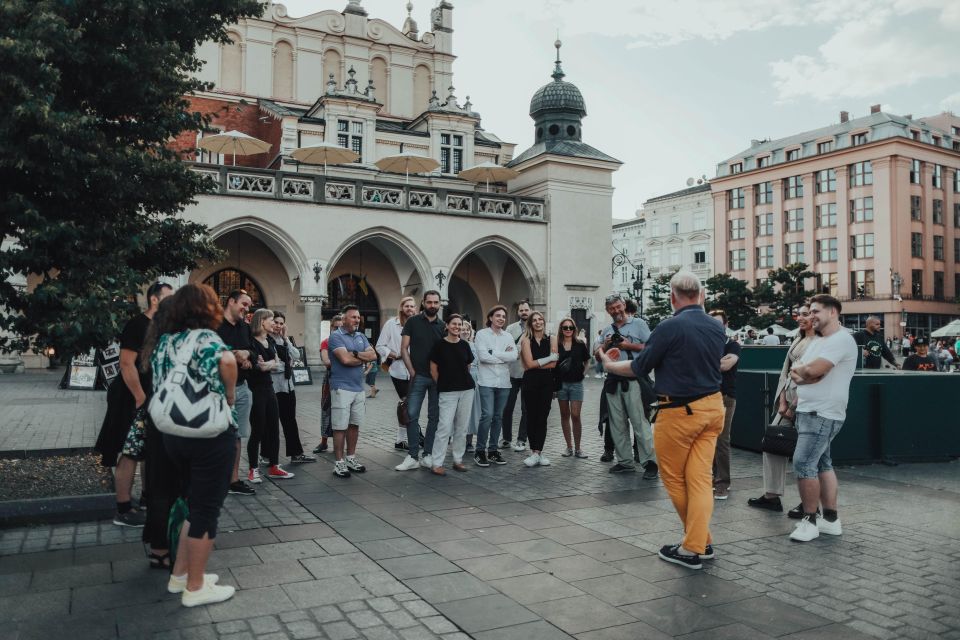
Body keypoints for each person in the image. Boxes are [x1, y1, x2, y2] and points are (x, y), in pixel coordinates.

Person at [600, 271, 725, 570]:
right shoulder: (716, 327)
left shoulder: (669, 327)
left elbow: (640, 367)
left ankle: (694, 546)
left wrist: (608, 363)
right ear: (702, 295)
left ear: (672, 297)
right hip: (713, 408)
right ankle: (698, 543)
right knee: (699, 480)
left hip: (680, 412)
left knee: (676, 480)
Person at [150, 283, 238, 607]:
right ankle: (196, 588)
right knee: (206, 510)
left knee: (192, 501)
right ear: (207, 307)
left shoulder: (165, 341)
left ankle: (180, 576)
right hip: (209, 437)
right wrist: (228, 395)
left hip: (173, 436)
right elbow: (227, 361)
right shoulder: (207, 338)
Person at [96, 281, 174, 527]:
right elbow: (126, 364)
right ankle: (123, 509)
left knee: (149, 451)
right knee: (129, 452)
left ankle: (147, 499)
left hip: (152, 396)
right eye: (168, 298)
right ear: (154, 299)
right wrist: (140, 397)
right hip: (131, 396)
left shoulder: (163, 327)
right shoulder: (137, 324)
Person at [787, 294, 858, 542]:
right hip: (809, 410)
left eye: (816, 311)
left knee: (803, 463)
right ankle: (830, 520)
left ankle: (809, 521)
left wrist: (807, 374)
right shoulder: (819, 341)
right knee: (821, 464)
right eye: (810, 311)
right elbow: (798, 372)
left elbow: (812, 371)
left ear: (833, 312)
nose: (811, 316)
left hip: (822, 413)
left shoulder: (842, 340)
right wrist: (806, 375)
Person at [748, 304, 816, 517]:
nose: (800, 318)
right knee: (771, 444)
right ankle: (771, 495)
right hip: (787, 398)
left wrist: (794, 404)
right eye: (799, 314)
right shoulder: (799, 338)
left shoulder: (820, 342)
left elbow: (812, 376)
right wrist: (783, 403)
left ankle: (810, 504)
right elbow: (786, 372)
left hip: (805, 403)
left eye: (805, 314)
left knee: (808, 457)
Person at [596, 293, 657, 478]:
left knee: (640, 423)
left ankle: (650, 463)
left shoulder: (639, 324)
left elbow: (651, 347)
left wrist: (629, 346)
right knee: (617, 424)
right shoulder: (607, 330)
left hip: (633, 379)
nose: (616, 311)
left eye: (618, 306)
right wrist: (605, 347)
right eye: (612, 308)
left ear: (624, 305)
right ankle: (625, 462)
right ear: (608, 311)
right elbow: (597, 355)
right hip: (613, 380)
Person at [138, 297, 179, 569]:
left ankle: (157, 547)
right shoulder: (175, 344)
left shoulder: (155, 344)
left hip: (156, 419)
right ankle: (167, 547)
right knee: (171, 487)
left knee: (157, 486)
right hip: (173, 421)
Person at [328, 305, 377, 478]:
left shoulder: (361, 335)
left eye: (358, 317)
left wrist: (355, 354)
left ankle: (351, 458)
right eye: (353, 317)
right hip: (341, 387)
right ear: (344, 319)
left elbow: (373, 356)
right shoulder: (335, 336)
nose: (357, 320)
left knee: (354, 424)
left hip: (358, 388)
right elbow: (345, 360)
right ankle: (339, 463)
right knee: (340, 426)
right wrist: (361, 358)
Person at [216, 290, 256, 496]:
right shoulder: (213, 325)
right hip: (216, 390)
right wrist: (233, 355)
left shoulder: (244, 328)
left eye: (249, 306)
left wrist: (247, 354)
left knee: (237, 436)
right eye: (244, 304)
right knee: (214, 435)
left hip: (241, 388)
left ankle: (233, 480)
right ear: (231, 301)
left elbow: (255, 351)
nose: (246, 309)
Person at [247, 309, 294, 482]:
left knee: (274, 429)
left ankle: (274, 466)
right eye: (271, 320)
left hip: (269, 388)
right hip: (256, 389)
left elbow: (278, 363)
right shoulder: (251, 341)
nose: (274, 324)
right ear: (261, 322)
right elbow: (254, 366)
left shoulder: (269, 341)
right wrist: (268, 365)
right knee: (258, 430)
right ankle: (253, 469)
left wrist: (267, 364)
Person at [400, 291, 444, 468]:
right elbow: (404, 348)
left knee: (434, 417)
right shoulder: (412, 322)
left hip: (437, 378)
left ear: (440, 304)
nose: (432, 305)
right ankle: (412, 457)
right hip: (418, 376)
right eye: (429, 302)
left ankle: (427, 454)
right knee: (411, 416)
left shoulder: (443, 326)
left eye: (435, 302)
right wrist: (411, 371)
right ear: (423, 303)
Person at [428, 314, 475, 475]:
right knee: (444, 427)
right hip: (447, 391)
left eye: (459, 324)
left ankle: (458, 460)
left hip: (467, 389)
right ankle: (437, 463)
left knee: (462, 427)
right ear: (446, 326)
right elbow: (433, 368)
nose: (457, 327)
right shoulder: (439, 345)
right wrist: (442, 383)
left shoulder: (465, 345)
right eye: (453, 324)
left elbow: (468, 366)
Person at [473, 304, 516, 466]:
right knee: (487, 415)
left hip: (504, 382)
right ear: (490, 317)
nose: (501, 319)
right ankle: (479, 450)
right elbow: (483, 357)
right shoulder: (482, 334)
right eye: (497, 315)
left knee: (498, 416)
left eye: (503, 316)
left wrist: (495, 354)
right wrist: (503, 357)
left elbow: (513, 356)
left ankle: (492, 451)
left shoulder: (508, 336)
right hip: (487, 381)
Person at [270, 311, 315, 464]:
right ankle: (267, 456)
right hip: (274, 388)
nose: (278, 325)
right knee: (271, 423)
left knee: (290, 421)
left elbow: (296, 355)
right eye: (276, 322)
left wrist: (285, 338)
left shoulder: (283, 340)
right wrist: (285, 366)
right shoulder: (266, 340)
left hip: (288, 386)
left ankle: (296, 454)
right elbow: (272, 367)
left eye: (281, 323)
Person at [377, 296, 416, 453]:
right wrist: (394, 354)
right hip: (398, 371)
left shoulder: (419, 323)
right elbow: (379, 346)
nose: (409, 309)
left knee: (409, 405)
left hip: (415, 371)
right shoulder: (391, 324)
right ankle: (403, 439)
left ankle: (404, 438)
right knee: (407, 403)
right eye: (406, 306)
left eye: (412, 306)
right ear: (401, 308)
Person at [709, 310, 741, 500]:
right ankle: (711, 479)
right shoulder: (705, 344)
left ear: (725, 325)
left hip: (725, 397)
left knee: (721, 439)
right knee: (706, 439)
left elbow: (726, 366)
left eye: (718, 324)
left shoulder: (733, 345)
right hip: (705, 396)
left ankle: (722, 483)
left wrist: (705, 362)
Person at [519, 311, 558, 467]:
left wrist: (540, 363)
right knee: (531, 416)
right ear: (530, 323)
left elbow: (554, 364)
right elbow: (528, 364)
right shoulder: (525, 339)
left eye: (540, 319)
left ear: (544, 321)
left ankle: (538, 452)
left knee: (542, 417)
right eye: (534, 320)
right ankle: (534, 452)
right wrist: (549, 358)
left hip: (547, 382)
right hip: (530, 381)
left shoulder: (552, 338)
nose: (537, 322)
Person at [555, 317, 590, 458]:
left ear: (574, 329)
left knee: (575, 415)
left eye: (570, 327)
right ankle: (569, 447)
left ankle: (578, 448)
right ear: (561, 329)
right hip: (561, 384)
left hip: (576, 384)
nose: (568, 330)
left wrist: (583, 374)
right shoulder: (556, 344)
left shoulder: (580, 344)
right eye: (565, 327)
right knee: (564, 415)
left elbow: (587, 361)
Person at [503, 300, 532, 451]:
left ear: (530, 310)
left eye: (526, 310)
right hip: (512, 373)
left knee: (526, 409)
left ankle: (522, 439)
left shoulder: (535, 327)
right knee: (507, 408)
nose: (524, 312)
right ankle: (506, 438)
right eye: (521, 310)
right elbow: (506, 347)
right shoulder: (510, 328)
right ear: (518, 312)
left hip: (528, 373)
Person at [313, 314, 343, 454]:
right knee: (326, 409)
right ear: (331, 327)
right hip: (331, 378)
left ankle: (343, 443)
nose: (337, 330)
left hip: (346, 379)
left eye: (340, 327)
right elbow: (326, 361)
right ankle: (324, 441)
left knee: (345, 410)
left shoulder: (348, 340)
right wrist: (346, 361)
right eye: (335, 327)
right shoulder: (326, 342)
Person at [461, 319, 482, 452]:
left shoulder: (475, 346)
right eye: (463, 329)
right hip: (458, 379)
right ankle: (457, 439)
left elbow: (480, 363)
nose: (465, 331)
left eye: (467, 329)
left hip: (474, 379)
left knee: (472, 412)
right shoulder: (454, 344)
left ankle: (469, 442)